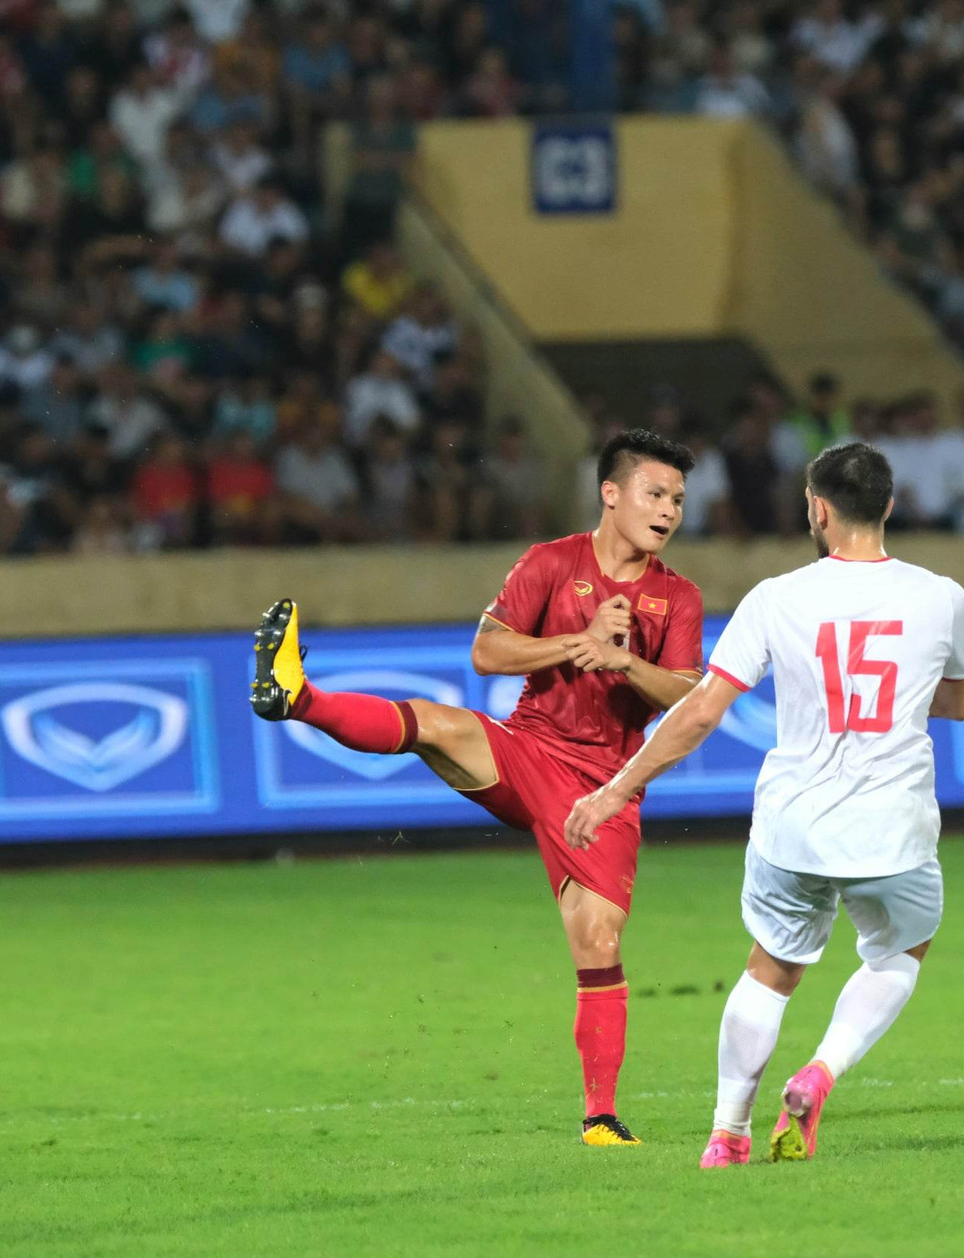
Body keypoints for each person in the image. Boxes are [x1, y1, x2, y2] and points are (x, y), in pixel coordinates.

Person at [250, 429, 704, 1145]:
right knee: (439, 723)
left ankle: (601, 1119)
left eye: (678, 498)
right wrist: (574, 643)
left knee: (598, 939)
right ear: (610, 493)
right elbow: (487, 651)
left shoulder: (677, 597)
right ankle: (295, 696)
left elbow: (683, 692)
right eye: (655, 493)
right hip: (526, 752)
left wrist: (617, 661)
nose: (669, 509)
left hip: (603, 787)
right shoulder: (550, 562)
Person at [565, 443, 964, 1167]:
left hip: (795, 828)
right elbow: (959, 700)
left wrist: (615, 788)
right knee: (901, 951)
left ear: (817, 509)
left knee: (771, 970)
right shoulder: (941, 596)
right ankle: (820, 1071)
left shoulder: (776, 598)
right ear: (887, 505)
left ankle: (728, 1133)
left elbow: (697, 713)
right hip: (894, 826)